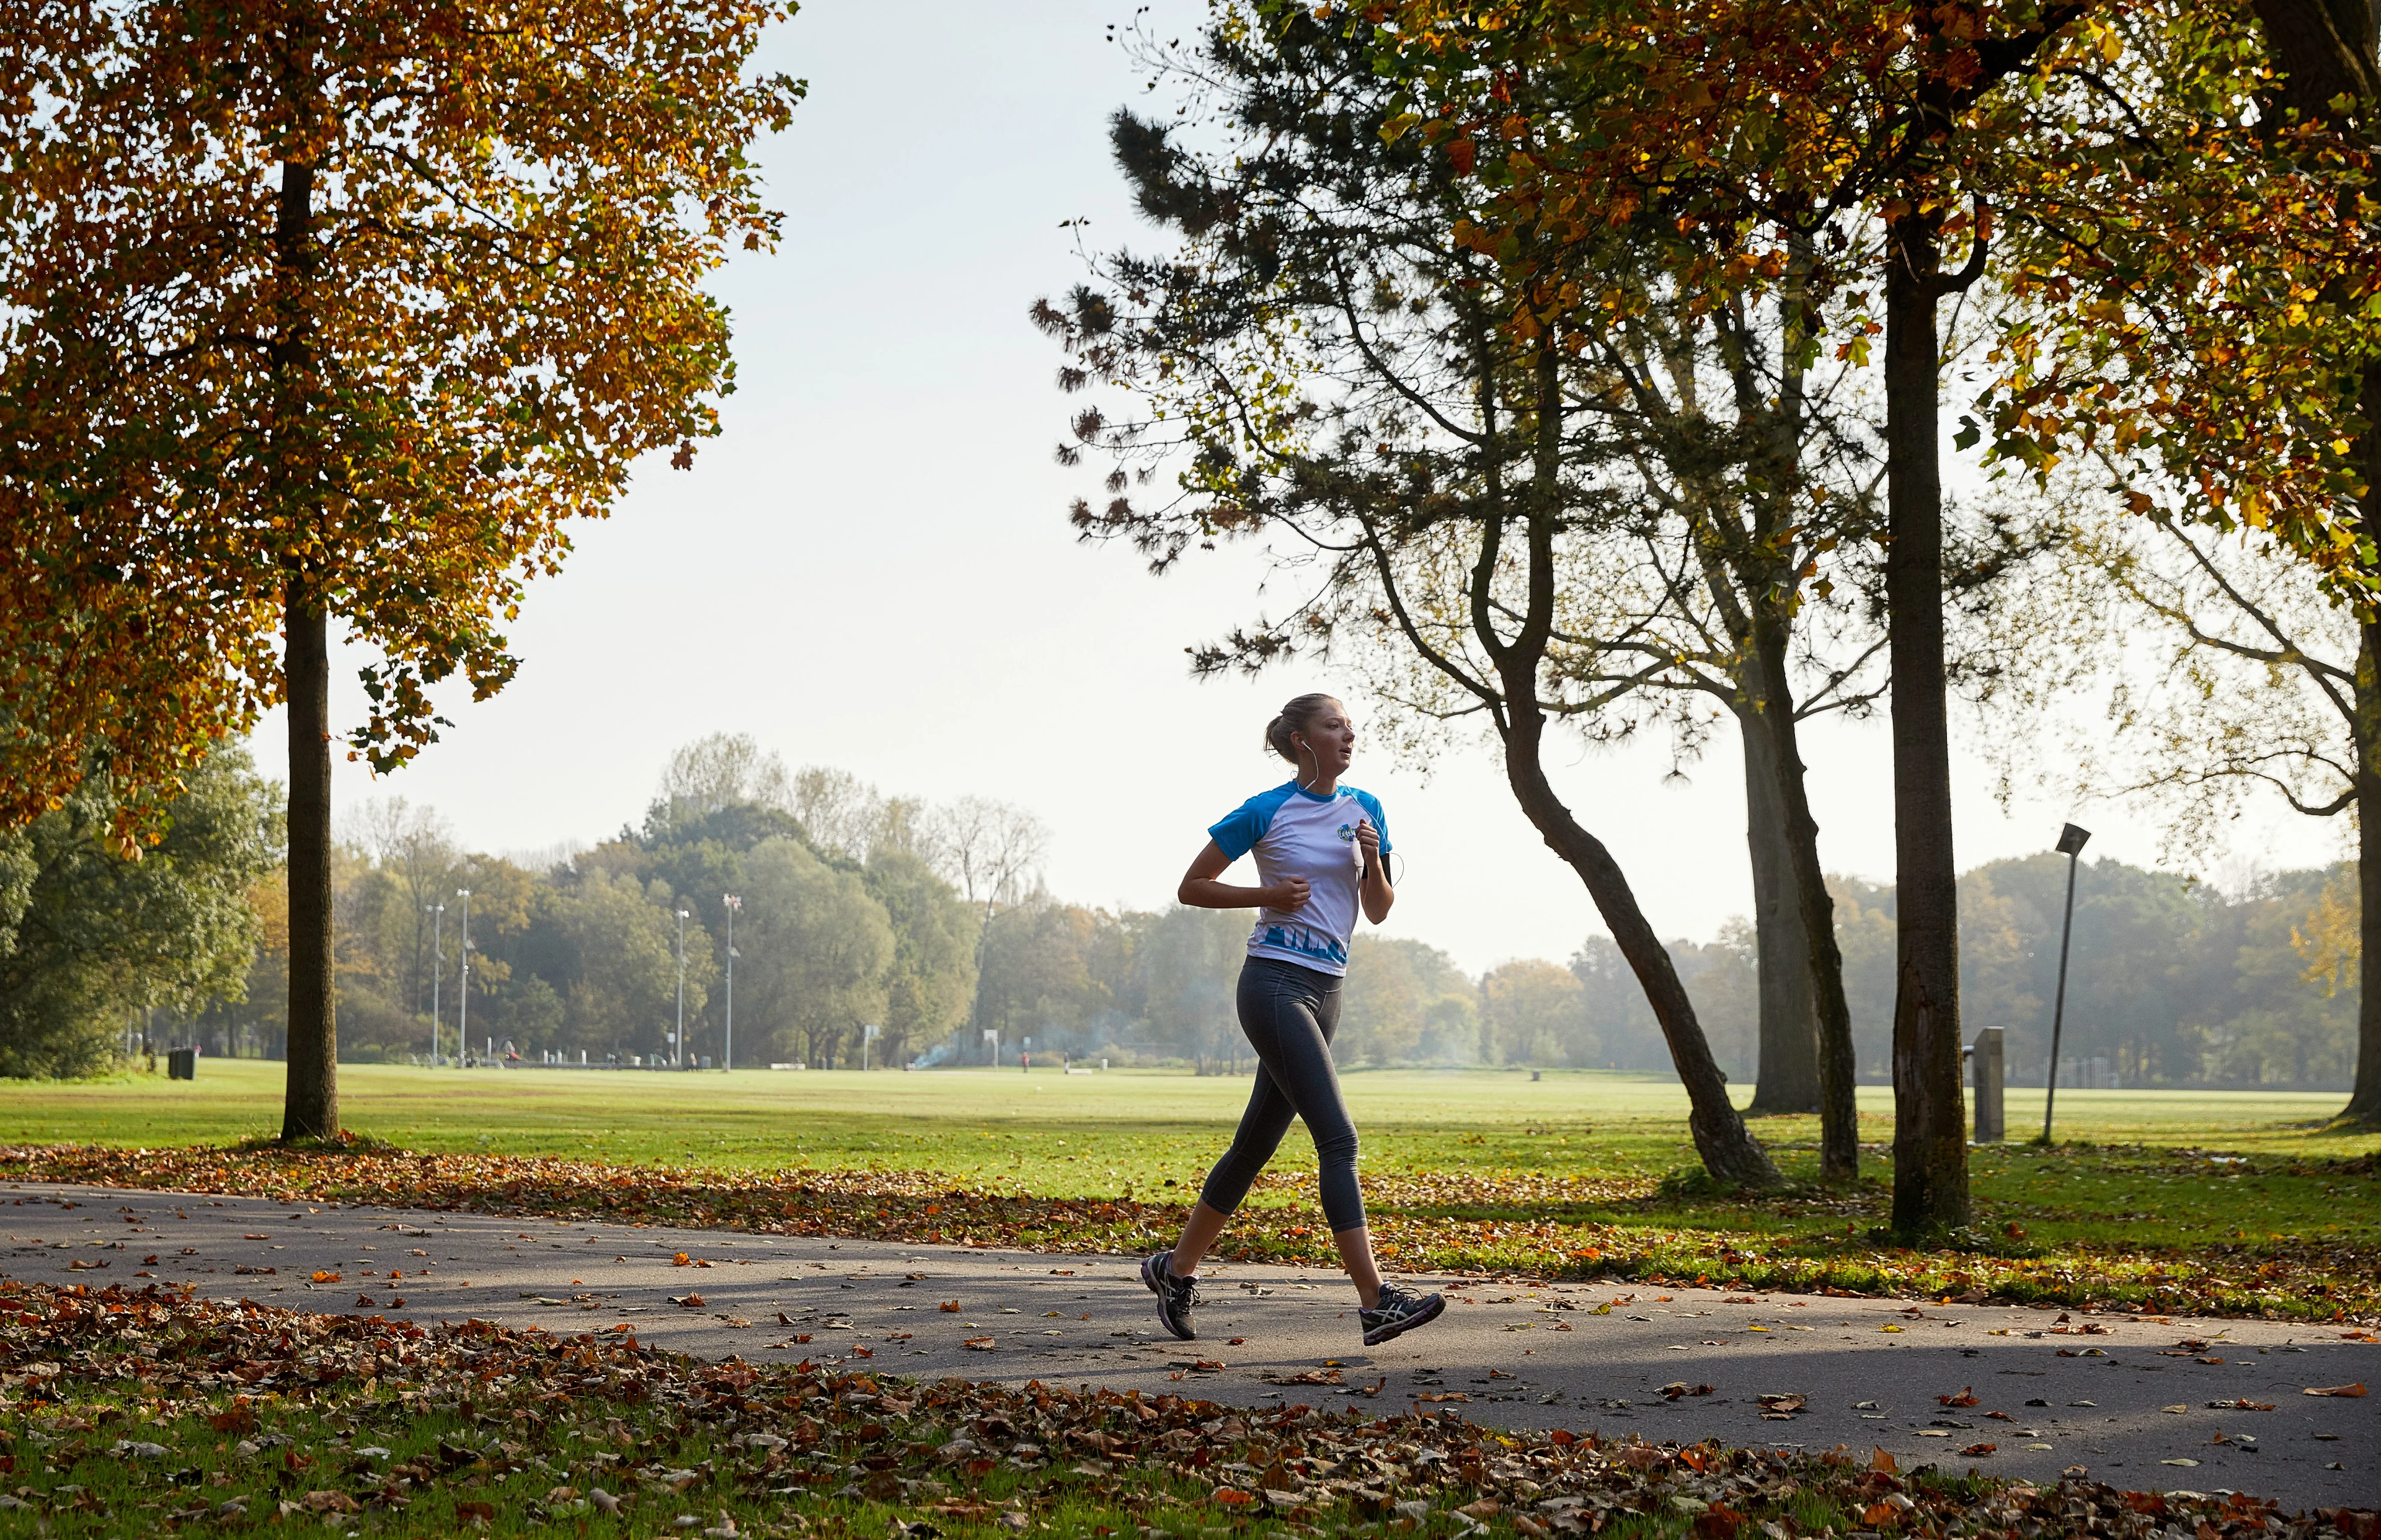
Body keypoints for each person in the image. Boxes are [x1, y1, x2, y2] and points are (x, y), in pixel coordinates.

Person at [1140, 693, 1445, 1348]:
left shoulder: (1368, 809)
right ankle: (1375, 1303)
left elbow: (1382, 909)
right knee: (1338, 1140)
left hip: (1328, 988)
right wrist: (1267, 895)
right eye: (1334, 725)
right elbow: (1191, 887)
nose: (1349, 734)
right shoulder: (1265, 810)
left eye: (1349, 726)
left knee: (1254, 1146)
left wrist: (1372, 863)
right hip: (1274, 983)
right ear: (1302, 740)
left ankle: (1175, 1270)